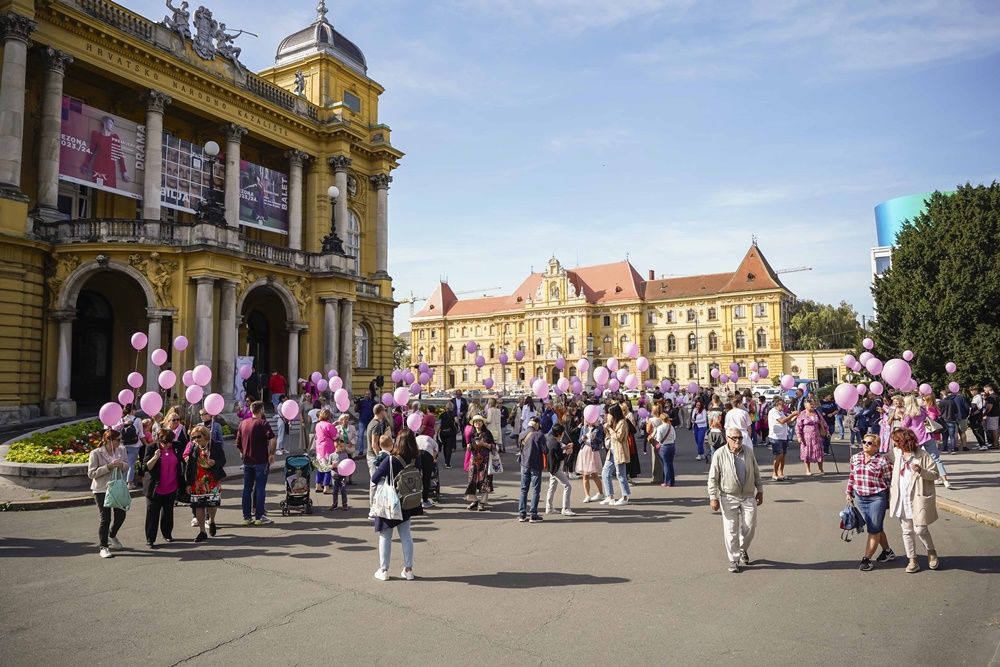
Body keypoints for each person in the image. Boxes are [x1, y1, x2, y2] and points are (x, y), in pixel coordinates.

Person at [708, 427, 763, 573]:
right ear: (728, 438)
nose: (738, 440)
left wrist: (760, 490)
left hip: (748, 495)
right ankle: (733, 559)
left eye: (740, 438)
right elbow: (713, 478)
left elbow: (756, 472)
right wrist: (713, 497)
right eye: (734, 438)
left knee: (749, 527)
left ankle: (742, 549)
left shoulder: (748, 452)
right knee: (731, 529)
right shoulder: (720, 454)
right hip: (728, 496)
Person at [370, 429, 423, 581]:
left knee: (385, 535)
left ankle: (384, 570)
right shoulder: (416, 458)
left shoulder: (391, 460)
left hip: (390, 502)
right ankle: (408, 570)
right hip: (408, 500)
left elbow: (375, 478)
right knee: (406, 534)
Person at [889, 428, 941, 573]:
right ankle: (912, 559)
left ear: (904, 441)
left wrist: (921, 471)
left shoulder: (922, 455)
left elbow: (935, 474)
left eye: (897, 441)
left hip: (917, 496)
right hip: (901, 497)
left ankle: (931, 552)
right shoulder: (897, 453)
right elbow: (882, 458)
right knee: (906, 531)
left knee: (920, 529)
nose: (895, 444)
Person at [846, 433, 896, 570]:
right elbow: (852, 476)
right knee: (876, 526)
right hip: (860, 497)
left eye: (869, 443)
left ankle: (866, 559)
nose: (865, 445)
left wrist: (891, 498)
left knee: (873, 529)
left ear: (876, 447)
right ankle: (887, 552)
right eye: (864, 442)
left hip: (877, 498)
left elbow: (889, 480)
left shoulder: (882, 461)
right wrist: (849, 491)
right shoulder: (855, 458)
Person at [88, 429, 129, 558]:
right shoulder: (95, 453)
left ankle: (112, 535)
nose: (120, 442)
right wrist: (108, 467)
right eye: (118, 440)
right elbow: (91, 473)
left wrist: (121, 464)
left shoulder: (121, 450)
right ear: (108, 440)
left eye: (120, 439)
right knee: (105, 518)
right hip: (101, 489)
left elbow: (127, 466)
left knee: (121, 514)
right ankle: (103, 546)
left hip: (117, 487)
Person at [236, 400, 276, 525]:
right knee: (260, 488)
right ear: (261, 410)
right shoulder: (263, 423)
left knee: (247, 489)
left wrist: (243, 452)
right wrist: (272, 454)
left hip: (247, 461)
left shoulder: (243, 423)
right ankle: (259, 516)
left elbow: (238, 443)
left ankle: (246, 517)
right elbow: (273, 439)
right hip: (261, 460)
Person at [143, 428, 184, 547]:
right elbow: (146, 467)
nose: (168, 445)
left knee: (168, 512)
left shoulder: (176, 446)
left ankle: (167, 534)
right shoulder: (151, 448)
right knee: (152, 514)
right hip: (155, 488)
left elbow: (185, 456)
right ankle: (150, 538)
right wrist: (155, 458)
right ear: (159, 440)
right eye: (165, 443)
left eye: (170, 442)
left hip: (171, 486)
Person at [185, 424, 226, 542]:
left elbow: (223, 461)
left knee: (212, 504)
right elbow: (189, 466)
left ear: (206, 437)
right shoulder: (193, 447)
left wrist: (215, 462)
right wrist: (188, 483)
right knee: (199, 505)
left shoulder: (215, 446)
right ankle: (202, 531)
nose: (196, 440)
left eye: (198, 437)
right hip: (197, 481)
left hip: (212, 480)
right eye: (193, 438)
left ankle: (212, 520)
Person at [902, 395, 951, 489]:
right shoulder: (922, 410)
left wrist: (901, 417)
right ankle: (945, 480)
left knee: (915, 459)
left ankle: (916, 480)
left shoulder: (908, 414)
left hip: (915, 439)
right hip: (927, 436)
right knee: (936, 459)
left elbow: (904, 426)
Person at [517, 416, 548, 522]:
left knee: (523, 489)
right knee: (535, 490)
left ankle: (522, 514)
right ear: (537, 425)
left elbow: (520, 448)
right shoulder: (539, 435)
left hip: (524, 464)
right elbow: (545, 450)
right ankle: (533, 514)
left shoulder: (522, 434)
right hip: (535, 465)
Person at [600, 405, 631, 506]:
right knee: (605, 472)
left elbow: (619, 437)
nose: (609, 415)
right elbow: (610, 435)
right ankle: (610, 496)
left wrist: (609, 428)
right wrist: (607, 427)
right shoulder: (614, 422)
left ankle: (625, 497)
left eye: (610, 413)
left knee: (621, 474)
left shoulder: (623, 422)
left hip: (619, 451)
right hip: (612, 451)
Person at [465, 415, 496, 511]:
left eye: (479, 421)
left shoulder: (487, 433)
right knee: (471, 481)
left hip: (485, 460)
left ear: (482, 423)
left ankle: (482, 502)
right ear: (473, 424)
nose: (477, 423)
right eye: (476, 422)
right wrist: (469, 447)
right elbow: (468, 445)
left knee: (484, 481)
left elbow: (494, 446)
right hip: (474, 460)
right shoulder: (472, 434)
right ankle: (474, 501)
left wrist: (484, 444)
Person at [544, 423, 576, 516]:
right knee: (567, 486)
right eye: (562, 432)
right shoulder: (555, 443)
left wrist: (565, 447)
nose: (563, 434)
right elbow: (560, 457)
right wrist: (567, 452)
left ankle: (549, 508)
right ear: (559, 433)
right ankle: (565, 508)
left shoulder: (550, 440)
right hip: (556, 468)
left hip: (551, 468)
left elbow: (556, 451)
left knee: (552, 487)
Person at [365, 404, 392, 505]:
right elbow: (374, 444)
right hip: (373, 456)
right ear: (381, 412)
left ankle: (376, 504)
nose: (385, 412)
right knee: (374, 481)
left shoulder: (373, 423)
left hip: (371, 455)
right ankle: (373, 506)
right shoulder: (376, 425)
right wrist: (379, 457)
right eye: (384, 410)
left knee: (376, 480)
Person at [576, 416, 605, 502]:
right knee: (585, 475)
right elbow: (579, 441)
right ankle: (587, 495)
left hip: (593, 452)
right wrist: (582, 438)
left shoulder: (598, 428)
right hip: (584, 451)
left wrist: (594, 437)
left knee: (594, 474)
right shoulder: (583, 428)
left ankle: (601, 493)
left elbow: (600, 441)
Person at [115, 404, 144, 490]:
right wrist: (145, 443)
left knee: (123, 464)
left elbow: (115, 430)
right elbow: (141, 434)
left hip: (122, 445)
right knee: (131, 464)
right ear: (133, 410)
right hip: (134, 445)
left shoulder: (121, 420)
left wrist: (124, 424)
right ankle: (129, 483)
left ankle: (122, 482)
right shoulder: (137, 420)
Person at [795, 398, 826, 476]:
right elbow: (798, 426)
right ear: (806, 405)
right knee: (806, 453)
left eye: (813, 404)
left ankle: (821, 469)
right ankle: (808, 470)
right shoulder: (802, 414)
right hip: (806, 437)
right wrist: (799, 436)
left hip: (817, 436)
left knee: (819, 453)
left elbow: (823, 422)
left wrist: (826, 431)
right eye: (811, 404)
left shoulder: (817, 413)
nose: (812, 405)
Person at [767, 399, 794, 481]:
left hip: (783, 436)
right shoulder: (773, 412)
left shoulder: (781, 412)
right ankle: (774, 473)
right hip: (776, 437)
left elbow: (788, 422)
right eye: (782, 405)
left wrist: (795, 417)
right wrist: (792, 415)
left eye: (784, 404)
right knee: (779, 455)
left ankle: (781, 473)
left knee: (783, 456)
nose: (783, 406)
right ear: (777, 405)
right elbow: (782, 421)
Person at [313, 409, 336, 493]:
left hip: (319, 448)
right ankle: (326, 487)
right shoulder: (329, 425)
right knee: (328, 468)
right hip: (328, 448)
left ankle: (318, 485)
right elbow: (335, 436)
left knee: (320, 467)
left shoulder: (318, 425)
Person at [652, 414, 677, 487]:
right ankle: (672, 481)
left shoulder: (660, 428)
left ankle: (667, 481)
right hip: (672, 445)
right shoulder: (671, 426)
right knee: (670, 464)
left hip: (664, 447)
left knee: (665, 464)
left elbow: (659, 438)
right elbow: (674, 436)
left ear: (661, 419)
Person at [416, 433, 439, 509]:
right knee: (426, 477)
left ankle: (416, 498)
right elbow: (435, 450)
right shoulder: (431, 440)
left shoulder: (416, 438)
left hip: (417, 454)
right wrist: (433, 459)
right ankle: (425, 499)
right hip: (427, 454)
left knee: (416, 476)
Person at [356, 390, 376, 457]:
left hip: (370, 421)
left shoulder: (373, 402)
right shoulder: (361, 402)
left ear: (370, 395)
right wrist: (357, 403)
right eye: (366, 394)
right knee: (360, 436)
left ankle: (370, 450)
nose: (367, 395)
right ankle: (360, 451)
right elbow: (356, 410)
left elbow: (376, 410)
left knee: (370, 436)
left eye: (368, 394)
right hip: (362, 421)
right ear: (364, 395)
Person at [438, 401, 458, 468]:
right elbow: (456, 421)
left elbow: (439, 424)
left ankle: (446, 460)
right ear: (452, 407)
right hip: (450, 432)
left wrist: (437, 432)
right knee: (449, 448)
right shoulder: (453, 414)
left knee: (445, 446)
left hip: (443, 432)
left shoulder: (442, 414)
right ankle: (447, 463)